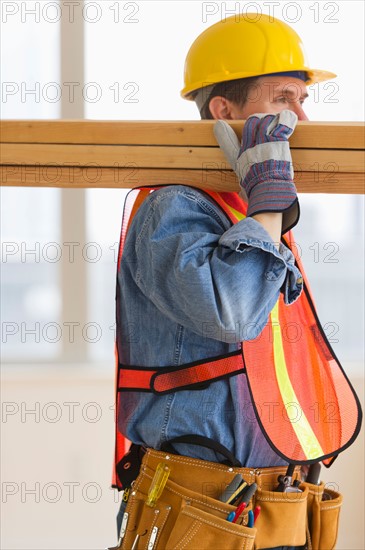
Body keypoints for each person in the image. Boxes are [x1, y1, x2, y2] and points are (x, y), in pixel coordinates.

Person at [111, 13, 361, 550]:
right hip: (203, 503)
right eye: (283, 98)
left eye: (303, 100)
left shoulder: (240, 208)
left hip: (278, 498)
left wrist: (263, 207)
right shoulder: (175, 206)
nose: (302, 118)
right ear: (224, 110)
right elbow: (233, 314)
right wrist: (269, 208)